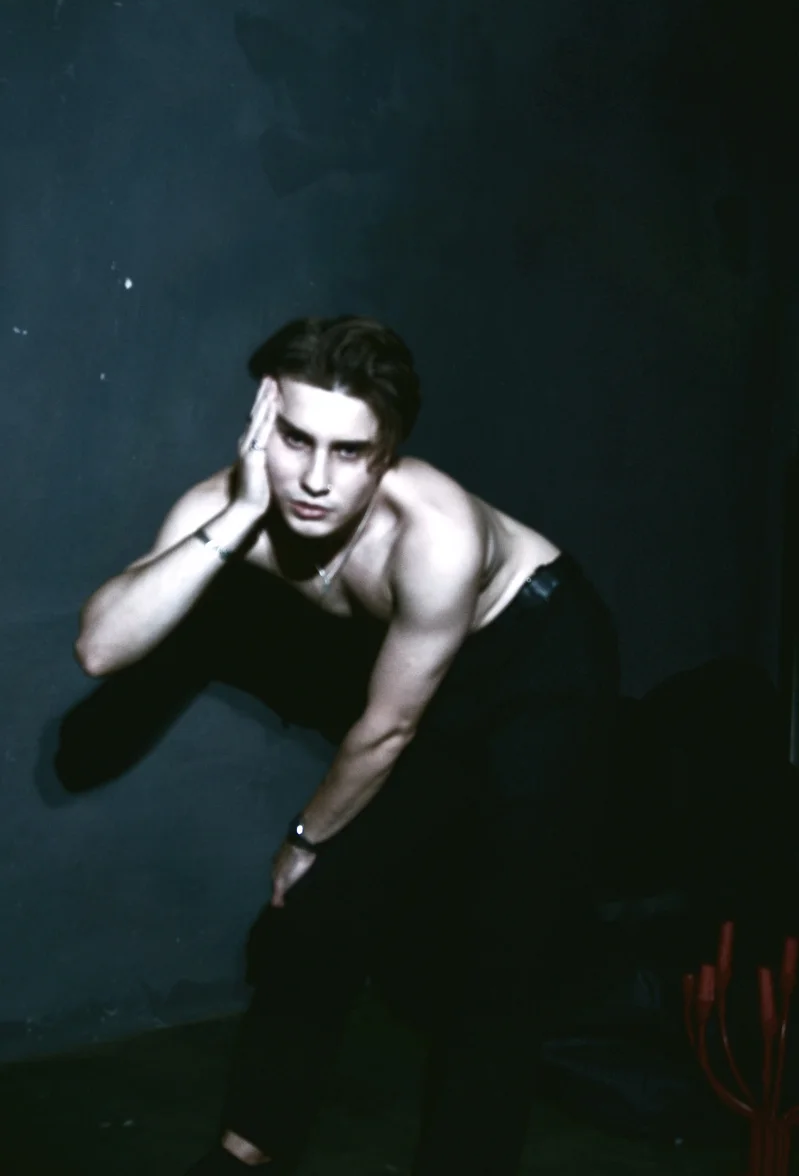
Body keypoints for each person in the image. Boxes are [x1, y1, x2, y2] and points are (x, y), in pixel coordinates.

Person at [75, 315, 620, 1175]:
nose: (315, 481)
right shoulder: (230, 502)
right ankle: (246, 1151)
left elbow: (388, 728)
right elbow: (102, 648)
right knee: (313, 920)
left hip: (538, 666)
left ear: (388, 450)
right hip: (417, 687)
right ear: (263, 416)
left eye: (351, 452)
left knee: (500, 950)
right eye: (295, 440)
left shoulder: (433, 532)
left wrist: (305, 839)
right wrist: (241, 513)